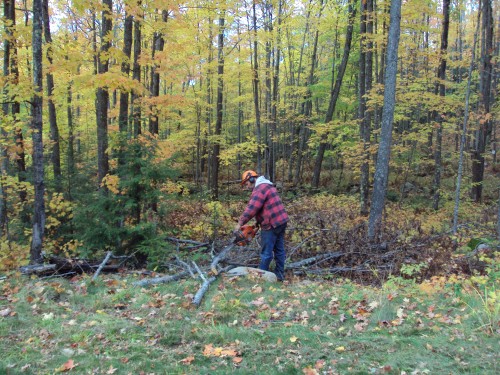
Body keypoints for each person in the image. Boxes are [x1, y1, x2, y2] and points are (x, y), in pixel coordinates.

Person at [234, 170, 289, 281]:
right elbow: (267, 207)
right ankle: (279, 276)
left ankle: (261, 278)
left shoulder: (260, 189)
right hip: (281, 222)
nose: (247, 186)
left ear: (251, 179)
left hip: (271, 224)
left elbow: (252, 209)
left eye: (247, 183)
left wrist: (240, 223)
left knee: (266, 253)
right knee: (279, 250)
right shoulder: (268, 185)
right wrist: (258, 222)